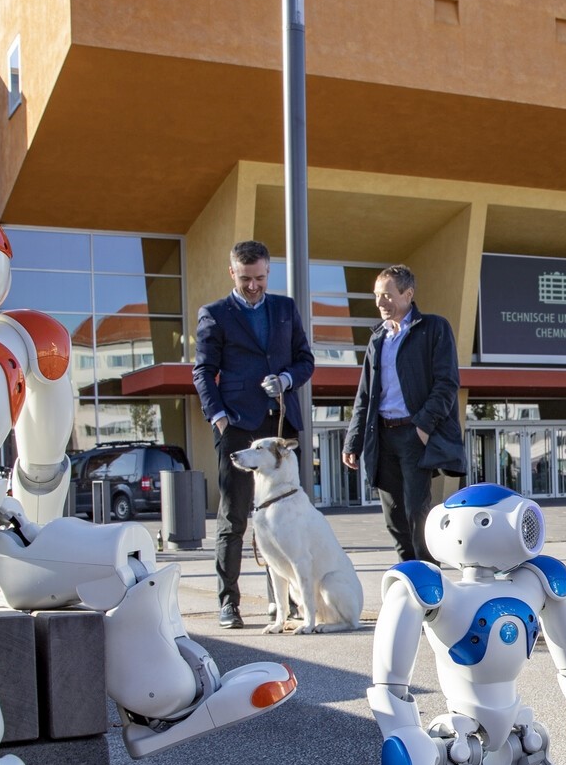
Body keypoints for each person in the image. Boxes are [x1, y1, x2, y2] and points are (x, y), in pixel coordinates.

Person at [193, 239, 316, 629]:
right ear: (232, 273)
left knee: (283, 517)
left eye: (260, 278)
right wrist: (219, 418)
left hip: (279, 426)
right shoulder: (214, 314)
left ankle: (280, 606)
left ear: (268, 272)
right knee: (235, 518)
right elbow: (203, 371)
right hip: (237, 428)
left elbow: (305, 360)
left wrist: (286, 378)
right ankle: (228, 602)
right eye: (245, 278)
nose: (253, 286)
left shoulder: (284, 309)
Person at [343, 264, 465, 562]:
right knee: (393, 517)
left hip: (415, 434)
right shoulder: (377, 339)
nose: (380, 302)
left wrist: (423, 427)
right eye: (376, 296)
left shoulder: (433, 328)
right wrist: (352, 441)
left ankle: (429, 577)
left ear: (407, 294)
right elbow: (366, 395)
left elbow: (447, 383)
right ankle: (408, 576)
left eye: (386, 295)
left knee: (415, 512)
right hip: (382, 436)